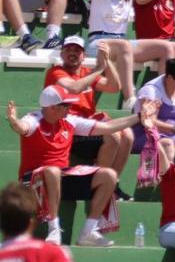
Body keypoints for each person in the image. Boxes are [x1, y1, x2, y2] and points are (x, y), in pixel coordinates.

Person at [6, 87, 154, 247]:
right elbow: (23, 127)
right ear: (53, 108)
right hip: (32, 182)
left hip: (60, 178)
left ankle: (88, 232)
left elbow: (107, 127)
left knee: (109, 175)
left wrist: (139, 116)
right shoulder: (34, 119)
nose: (69, 109)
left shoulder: (70, 120)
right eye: (66, 106)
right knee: (53, 170)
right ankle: (54, 228)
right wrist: (15, 122)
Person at [87, 0, 175, 109]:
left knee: (168, 47)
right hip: (98, 42)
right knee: (124, 46)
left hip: (121, 43)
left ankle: (165, 96)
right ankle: (129, 99)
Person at [43, 38, 133, 199]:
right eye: (68, 50)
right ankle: (98, 185)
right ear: (62, 53)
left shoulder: (86, 72)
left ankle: (113, 184)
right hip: (67, 125)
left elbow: (114, 87)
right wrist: (99, 69)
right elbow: (74, 87)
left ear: (83, 55)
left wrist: (107, 61)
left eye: (77, 50)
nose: (72, 53)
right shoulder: (56, 72)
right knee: (112, 136)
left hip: (88, 124)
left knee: (128, 135)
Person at [133, 58, 175, 171]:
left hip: (174, 133)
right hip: (146, 135)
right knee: (168, 144)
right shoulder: (151, 90)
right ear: (169, 77)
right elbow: (149, 122)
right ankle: (174, 182)